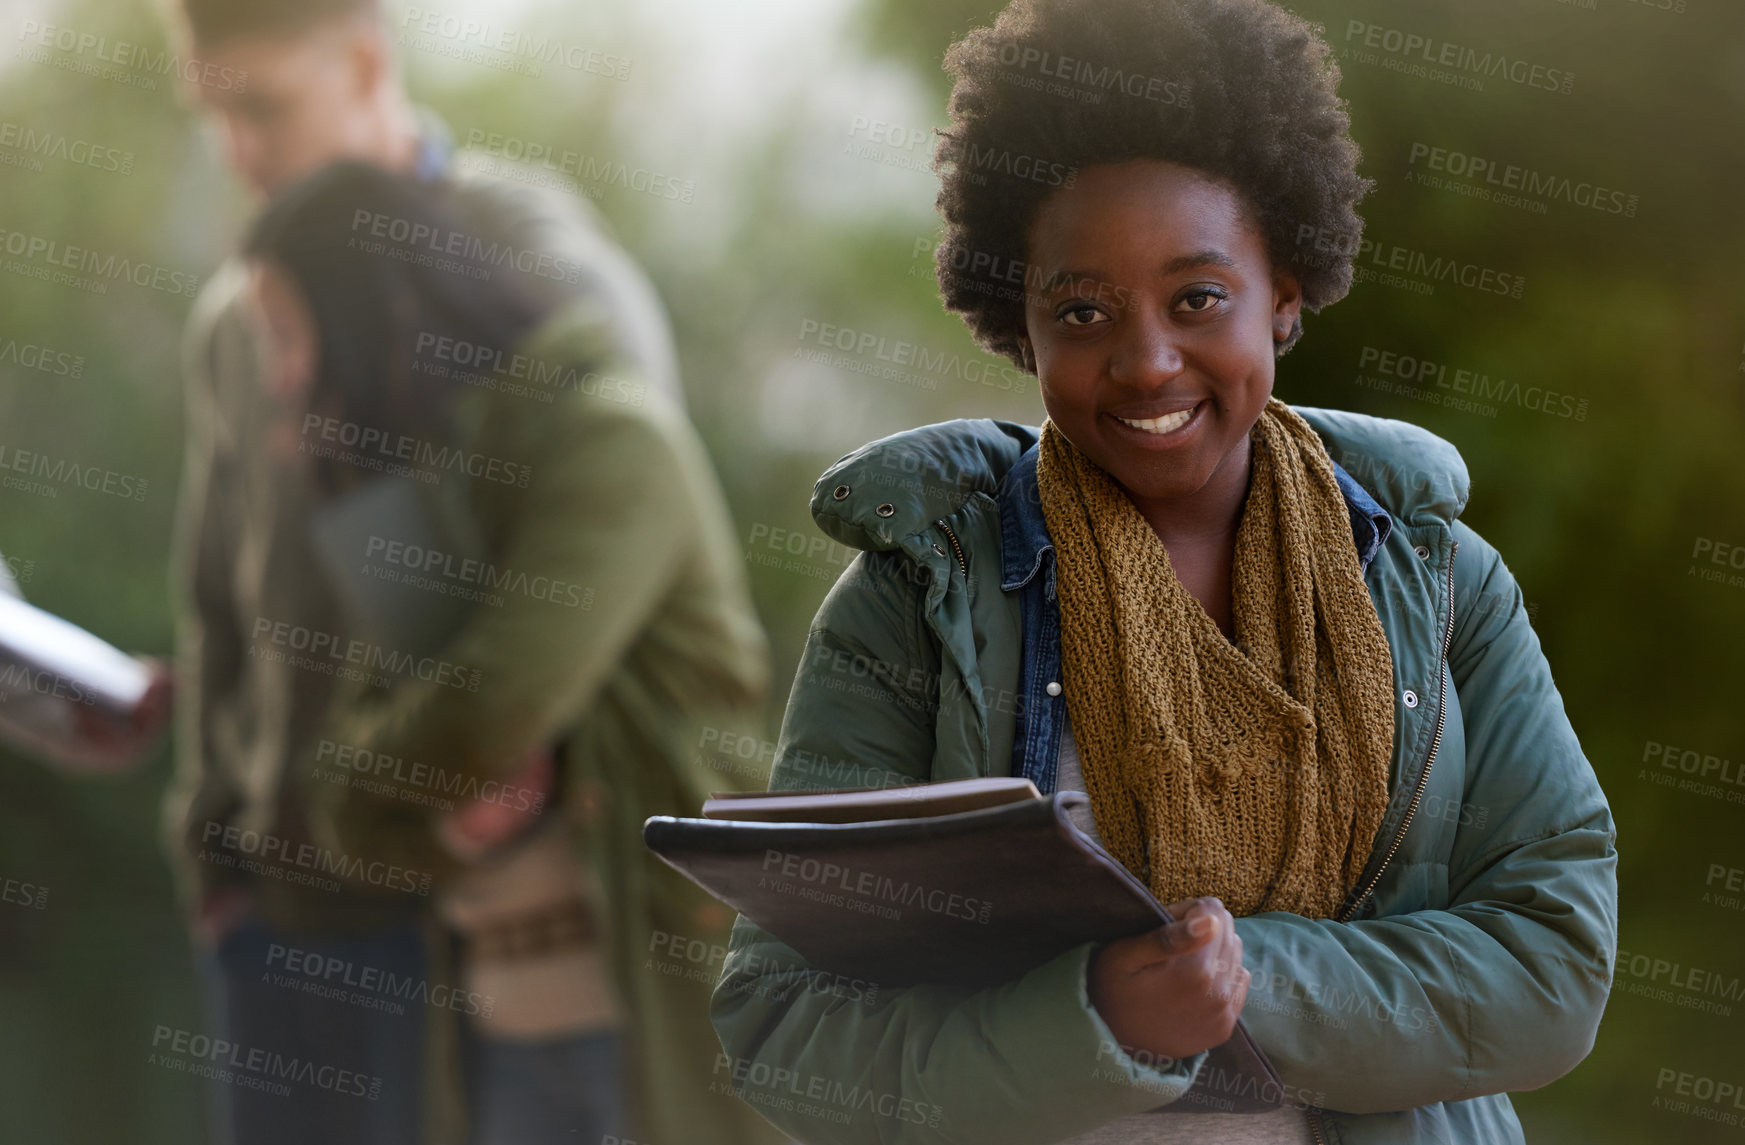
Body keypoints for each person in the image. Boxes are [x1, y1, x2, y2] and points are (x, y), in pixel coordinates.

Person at [709, 1, 1618, 1143]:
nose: (1144, 360)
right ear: (1019, 328)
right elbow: (784, 1027)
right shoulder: (914, 604)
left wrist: (1235, 981)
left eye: (1196, 297)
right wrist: (1094, 1015)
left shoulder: (1439, 584)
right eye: (1081, 310)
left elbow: (1550, 960)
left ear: (1282, 294)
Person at [160, 4, 780, 1143]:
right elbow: (220, 606)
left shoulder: (541, 275)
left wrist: (423, 794)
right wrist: (215, 838)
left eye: (263, 106)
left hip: (509, 919)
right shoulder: (238, 318)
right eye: (216, 115)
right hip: (311, 886)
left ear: (361, 65)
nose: (239, 149)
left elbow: (541, 663)